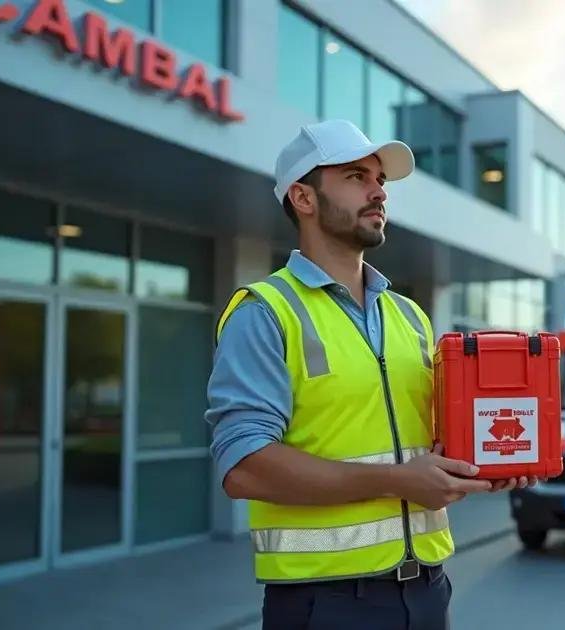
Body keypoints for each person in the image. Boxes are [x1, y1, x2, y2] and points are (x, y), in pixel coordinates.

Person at [205, 119, 539, 630]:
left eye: (380, 180)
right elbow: (244, 466)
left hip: (427, 590)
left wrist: (487, 465)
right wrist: (396, 482)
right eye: (357, 177)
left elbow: (427, 444)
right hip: (325, 603)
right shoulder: (266, 311)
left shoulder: (410, 316)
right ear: (304, 198)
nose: (378, 191)